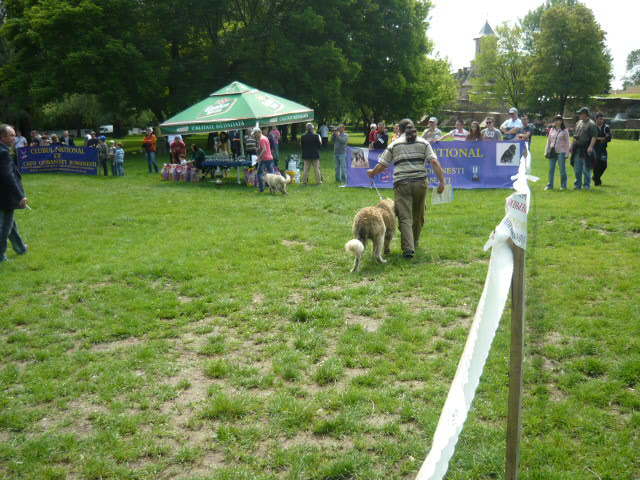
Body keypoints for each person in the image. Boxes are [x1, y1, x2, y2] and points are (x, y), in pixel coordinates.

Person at [367, 118, 445, 259]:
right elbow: (434, 161)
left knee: (405, 217)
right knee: (418, 215)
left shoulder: (394, 144)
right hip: (420, 183)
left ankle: (408, 248)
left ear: (400, 130)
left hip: (402, 184)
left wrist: (372, 173)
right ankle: (414, 242)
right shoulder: (424, 142)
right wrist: (442, 182)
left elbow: (383, 164)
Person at [0, 124, 28, 263]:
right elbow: (7, 176)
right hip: (5, 196)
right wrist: (20, 196)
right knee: (5, 227)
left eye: (14, 135)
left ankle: (20, 248)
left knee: (10, 224)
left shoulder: (3, 150)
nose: (14, 138)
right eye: (11, 135)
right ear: (2, 137)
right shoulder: (3, 153)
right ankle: (0, 255)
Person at [570, 107, 597, 190]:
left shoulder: (591, 124)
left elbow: (594, 136)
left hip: (586, 148)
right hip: (577, 148)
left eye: (580, 113)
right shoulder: (578, 123)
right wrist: (571, 145)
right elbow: (575, 136)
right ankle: (577, 184)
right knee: (577, 168)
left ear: (585, 114)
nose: (579, 115)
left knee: (586, 168)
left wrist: (591, 147)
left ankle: (586, 185)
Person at [544, 114, 571, 190]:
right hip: (552, 151)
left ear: (561, 121)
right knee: (551, 169)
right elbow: (548, 141)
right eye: (556, 120)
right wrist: (546, 151)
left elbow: (568, 142)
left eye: (559, 120)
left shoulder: (565, 130)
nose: (557, 121)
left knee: (562, 169)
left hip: (561, 152)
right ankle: (550, 185)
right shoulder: (552, 130)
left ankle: (563, 185)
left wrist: (567, 153)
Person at [593, 112, 612, 186]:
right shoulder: (593, 127)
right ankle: (597, 182)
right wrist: (601, 138)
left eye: (602, 119)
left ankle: (595, 177)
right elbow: (591, 137)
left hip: (603, 149)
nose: (601, 120)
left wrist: (598, 138)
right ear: (596, 119)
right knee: (596, 164)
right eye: (599, 119)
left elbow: (609, 138)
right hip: (594, 149)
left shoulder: (606, 127)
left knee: (604, 165)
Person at [254, 127, 275, 193]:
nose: (254, 135)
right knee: (272, 174)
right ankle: (273, 189)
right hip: (270, 158)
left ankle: (261, 189)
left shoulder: (261, 139)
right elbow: (265, 148)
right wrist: (258, 149)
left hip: (265, 159)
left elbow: (264, 149)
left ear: (258, 132)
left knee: (259, 173)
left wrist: (259, 157)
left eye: (255, 134)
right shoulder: (265, 137)